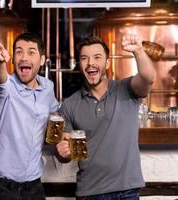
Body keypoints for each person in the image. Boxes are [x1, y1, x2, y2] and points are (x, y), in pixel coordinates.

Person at [56, 34, 156, 199]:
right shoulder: (68, 105)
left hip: (127, 192)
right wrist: (62, 153)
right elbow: (64, 151)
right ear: (79, 65)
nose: (90, 63)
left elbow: (149, 78)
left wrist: (138, 51)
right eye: (84, 58)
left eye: (97, 57)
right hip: (89, 193)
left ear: (107, 63)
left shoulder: (126, 89)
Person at [0, 32, 59, 200]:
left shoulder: (47, 87)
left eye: (31, 52)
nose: (24, 57)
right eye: (18, 52)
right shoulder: (7, 87)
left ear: (42, 59)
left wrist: (63, 133)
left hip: (34, 185)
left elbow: (55, 116)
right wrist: (0, 62)